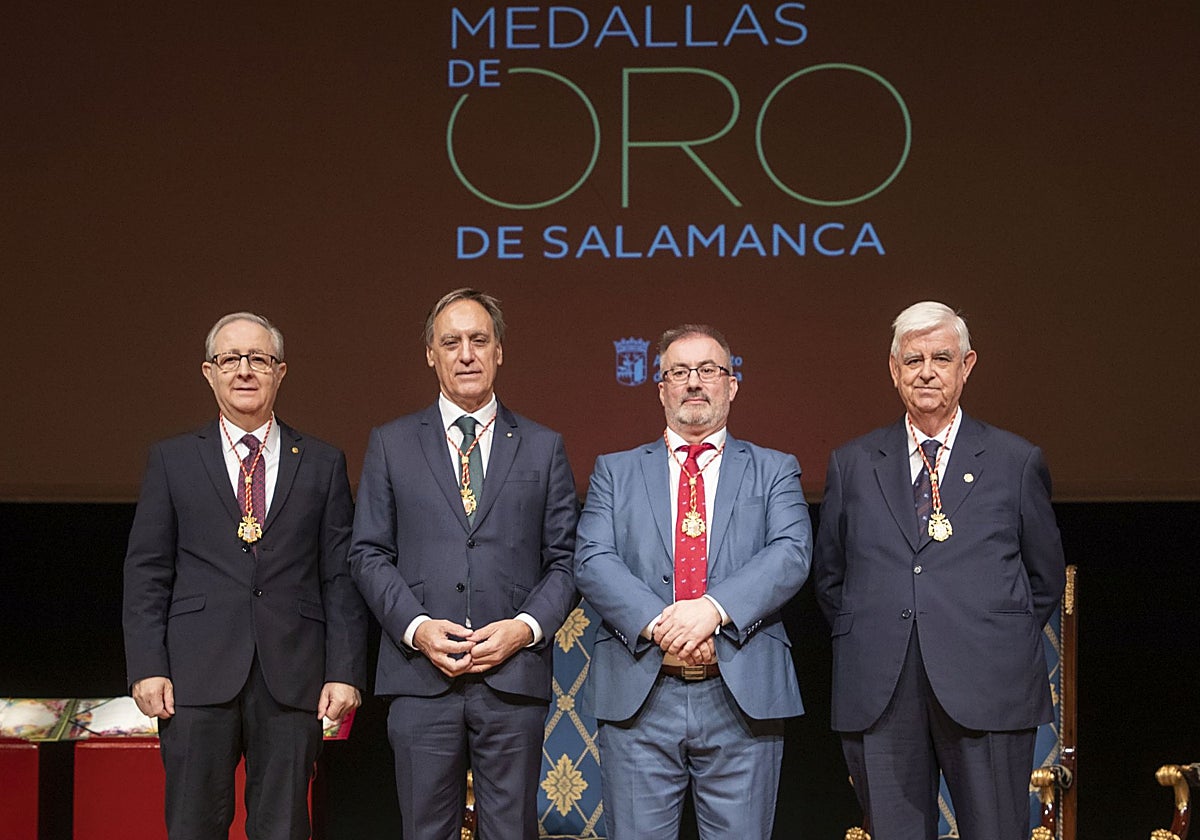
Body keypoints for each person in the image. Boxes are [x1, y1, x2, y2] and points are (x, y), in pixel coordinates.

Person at [812, 301, 1066, 840]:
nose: (926, 372)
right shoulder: (852, 463)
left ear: (966, 366)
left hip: (989, 685)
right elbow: (832, 578)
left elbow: (1043, 580)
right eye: (913, 360)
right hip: (882, 690)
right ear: (893, 369)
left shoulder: (1015, 461)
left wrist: (987, 636)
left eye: (942, 358)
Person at [123, 312, 367, 840]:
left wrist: (343, 671)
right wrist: (147, 665)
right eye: (230, 358)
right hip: (194, 676)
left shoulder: (322, 462)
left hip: (292, 675)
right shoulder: (172, 459)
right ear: (209, 372)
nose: (244, 370)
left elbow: (340, 578)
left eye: (258, 358)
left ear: (280, 371)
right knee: (194, 825)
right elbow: (147, 570)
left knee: (283, 827)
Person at [348, 288, 579, 840]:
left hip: (512, 678)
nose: (467, 354)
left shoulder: (543, 446)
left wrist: (524, 629)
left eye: (479, 340)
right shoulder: (391, 443)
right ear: (431, 355)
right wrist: (417, 628)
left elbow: (567, 560)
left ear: (500, 351)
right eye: (451, 343)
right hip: (419, 677)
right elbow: (368, 553)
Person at [574, 324, 812, 840]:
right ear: (661, 389)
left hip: (741, 694)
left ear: (732, 385)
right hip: (642, 694)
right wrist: (664, 626)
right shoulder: (614, 471)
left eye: (708, 370)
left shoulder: (775, 469)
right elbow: (592, 559)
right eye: (679, 372)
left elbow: (791, 553)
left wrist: (712, 610)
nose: (694, 382)